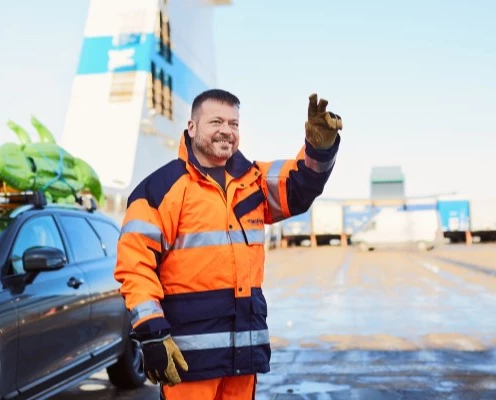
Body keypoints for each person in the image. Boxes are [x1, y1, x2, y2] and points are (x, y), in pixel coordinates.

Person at [114, 89, 342, 399]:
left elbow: (302, 184)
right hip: (188, 362)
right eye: (216, 121)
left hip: (244, 358)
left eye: (234, 124)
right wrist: (153, 334)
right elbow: (135, 267)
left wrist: (319, 146)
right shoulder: (159, 190)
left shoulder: (254, 180)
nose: (226, 130)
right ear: (192, 127)